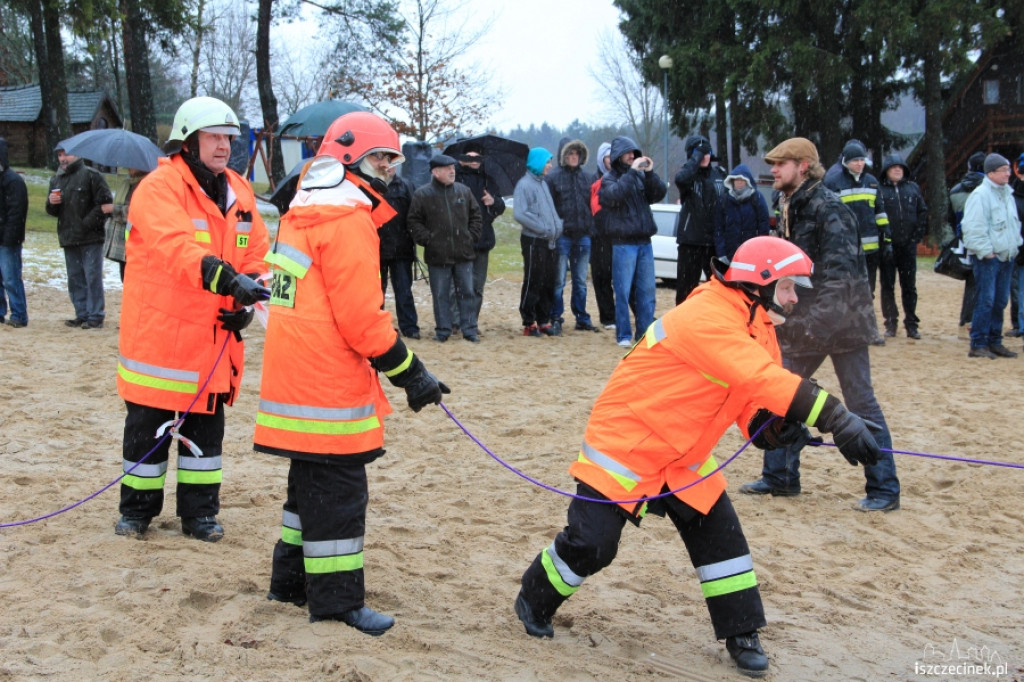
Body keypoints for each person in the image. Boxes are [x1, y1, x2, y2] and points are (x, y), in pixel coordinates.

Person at [513, 236, 881, 678]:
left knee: (721, 539)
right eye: (788, 286)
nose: (794, 296)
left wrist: (775, 428)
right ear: (760, 283)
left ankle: (742, 633)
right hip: (628, 445)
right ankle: (534, 596)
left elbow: (753, 399)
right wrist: (836, 417)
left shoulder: (758, 324)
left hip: (684, 454)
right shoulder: (706, 314)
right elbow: (761, 376)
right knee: (592, 546)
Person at [254, 111, 449, 635]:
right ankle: (337, 601)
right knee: (340, 498)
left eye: (390, 158)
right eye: (379, 158)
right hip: (327, 384)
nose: (388, 168)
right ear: (347, 158)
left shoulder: (304, 209)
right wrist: (412, 374)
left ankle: (290, 584)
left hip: (295, 375)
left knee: (308, 493)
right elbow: (363, 321)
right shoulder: (347, 218)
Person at [114, 96, 271, 541]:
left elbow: (258, 252)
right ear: (187, 141)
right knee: (147, 431)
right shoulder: (159, 188)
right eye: (214, 136)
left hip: (214, 341)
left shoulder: (239, 190)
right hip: (161, 341)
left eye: (228, 137)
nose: (223, 145)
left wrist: (247, 298)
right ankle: (137, 512)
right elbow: (176, 248)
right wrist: (228, 281)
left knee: (206, 435)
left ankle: (199, 515)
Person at [740, 137, 900, 513]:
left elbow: (842, 280)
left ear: (804, 167)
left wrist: (811, 325)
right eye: (773, 164)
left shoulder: (831, 209)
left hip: (844, 325)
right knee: (779, 394)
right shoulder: (789, 205)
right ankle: (780, 478)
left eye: (781, 164)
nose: (774, 170)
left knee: (862, 405)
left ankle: (884, 488)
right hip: (805, 322)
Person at [598, 136, 666, 347]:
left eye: (635, 153)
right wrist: (633, 172)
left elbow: (659, 193)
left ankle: (644, 334)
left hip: (644, 242)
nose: (632, 156)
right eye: (628, 153)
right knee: (623, 291)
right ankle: (624, 335)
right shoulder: (609, 179)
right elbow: (614, 195)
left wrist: (650, 173)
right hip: (623, 243)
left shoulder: (640, 177)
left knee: (647, 292)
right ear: (619, 156)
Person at [408, 155, 482, 343]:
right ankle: (443, 330)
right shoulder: (423, 194)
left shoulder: (464, 192)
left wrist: (470, 236)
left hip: (464, 253)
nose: (452, 171)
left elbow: (476, 216)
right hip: (437, 255)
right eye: (448, 168)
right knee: (441, 294)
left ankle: (469, 329)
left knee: (467, 292)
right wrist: (428, 240)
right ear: (435, 172)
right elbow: (413, 221)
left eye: (453, 167)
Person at [823, 140, 888, 346]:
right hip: (845, 249)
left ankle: (869, 331)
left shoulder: (872, 182)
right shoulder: (833, 183)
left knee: (867, 291)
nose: (859, 164)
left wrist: (886, 237)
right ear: (845, 162)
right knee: (844, 290)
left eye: (862, 160)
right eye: (855, 160)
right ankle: (843, 330)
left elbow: (880, 211)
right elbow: (830, 216)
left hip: (870, 250)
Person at [961, 153, 1022, 359]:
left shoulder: (1007, 194)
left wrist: (1015, 246)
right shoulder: (980, 196)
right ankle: (978, 342)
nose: (1008, 173)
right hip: (989, 258)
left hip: (1007, 256)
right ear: (991, 173)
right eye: (1003, 170)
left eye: (1007, 169)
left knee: (1000, 300)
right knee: (986, 300)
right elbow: (973, 227)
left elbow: (1013, 225)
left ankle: (995, 341)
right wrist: (987, 252)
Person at [46, 145, 114, 329]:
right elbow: (52, 211)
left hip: (91, 237)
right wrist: (51, 203)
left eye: (66, 154)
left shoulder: (92, 176)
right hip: (68, 237)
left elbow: (105, 204)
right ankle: (82, 313)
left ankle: (95, 316)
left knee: (92, 277)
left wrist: (86, 224)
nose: (62, 159)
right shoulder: (57, 179)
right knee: (75, 278)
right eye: (59, 155)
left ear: (77, 154)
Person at [545, 137, 599, 333]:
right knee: (558, 280)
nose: (573, 157)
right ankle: (556, 316)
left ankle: (581, 317)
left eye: (576, 153)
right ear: (563, 155)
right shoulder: (552, 178)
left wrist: (591, 228)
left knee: (580, 281)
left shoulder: (588, 178)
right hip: (562, 236)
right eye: (569, 153)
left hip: (584, 235)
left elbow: (594, 205)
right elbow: (548, 208)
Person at [452, 144, 506, 332]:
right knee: (458, 285)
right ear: (462, 158)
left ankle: (471, 321)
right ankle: (456, 321)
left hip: (483, 240)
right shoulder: (454, 178)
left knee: (477, 286)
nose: (474, 161)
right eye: (470, 157)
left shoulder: (488, 180)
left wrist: (494, 202)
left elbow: (500, 207)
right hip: (459, 240)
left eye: (477, 157)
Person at [513, 147, 563, 337]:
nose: (550, 166)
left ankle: (543, 320)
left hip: (550, 241)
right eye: (547, 162)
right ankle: (529, 322)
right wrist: (542, 228)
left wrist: (557, 226)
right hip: (534, 241)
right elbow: (520, 213)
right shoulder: (524, 185)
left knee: (548, 281)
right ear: (537, 163)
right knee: (534, 280)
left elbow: (549, 211)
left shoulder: (543, 183)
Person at [877, 154, 927, 339]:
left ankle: (911, 324)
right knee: (887, 286)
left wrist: (916, 236)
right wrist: (884, 240)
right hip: (888, 247)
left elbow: (922, 212)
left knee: (909, 286)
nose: (897, 170)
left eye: (900, 167)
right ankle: (891, 323)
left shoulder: (912, 189)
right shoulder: (879, 190)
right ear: (886, 170)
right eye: (893, 167)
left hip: (908, 246)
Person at [675, 134, 726, 304]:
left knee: (719, 288)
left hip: (713, 243)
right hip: (690, 241)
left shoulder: (719, 175)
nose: (704, 156)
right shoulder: (687, 175)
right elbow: (680, 179)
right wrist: (696, 158)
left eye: (707, 152)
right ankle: (682, 324)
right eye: (699, 152)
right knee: (685, 289)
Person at [379, 166, 420, 339]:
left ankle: (409, 327)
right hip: (375, 249)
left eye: (391, 163)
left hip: (401, 248)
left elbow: (414, 215)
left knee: (404, 291)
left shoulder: (406, 186)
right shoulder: (370, 186)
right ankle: (377, 328)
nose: (388, 167)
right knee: (375, 293)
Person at [948, 151, 987, 330]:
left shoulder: (956, 189)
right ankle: (974, 320)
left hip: (963, 238)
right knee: (983, 282)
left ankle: (966, 317)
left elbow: (949, 217)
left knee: (972, 280)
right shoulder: (988, 188)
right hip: (985, 239)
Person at [714, 163, 771, 262]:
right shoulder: (724, 200)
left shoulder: (757, 198)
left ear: (747, 181)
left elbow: (764, 225)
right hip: (729, 255)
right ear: (732, 181)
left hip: (752, 253)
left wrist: (760, 250)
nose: (739, 182)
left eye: (742, 180)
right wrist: (721, 253)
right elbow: (718, 228)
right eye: (736, 179)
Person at [0, 137, 29, 328]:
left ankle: (19, 313)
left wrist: (9, 238)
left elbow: (17, 213)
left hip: (8, 239)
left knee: (10, 277)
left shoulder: (13, 181)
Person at [104, 168, 148, 283]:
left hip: (138, 241)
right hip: (121, 240)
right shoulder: (126, 183)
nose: (129, 168)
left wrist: (115, 209)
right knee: (125, 277)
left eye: (133, 166)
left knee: (134, 279)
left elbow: (139, 212)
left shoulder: (146, 185)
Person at [590, 142, 617, 329]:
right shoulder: (593, 181)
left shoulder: (620, 178)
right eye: (608, 157)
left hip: (618, 234)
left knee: (624, 278)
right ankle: (607, 317)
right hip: (598, 236)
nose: (611, 160)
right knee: (601, 277)